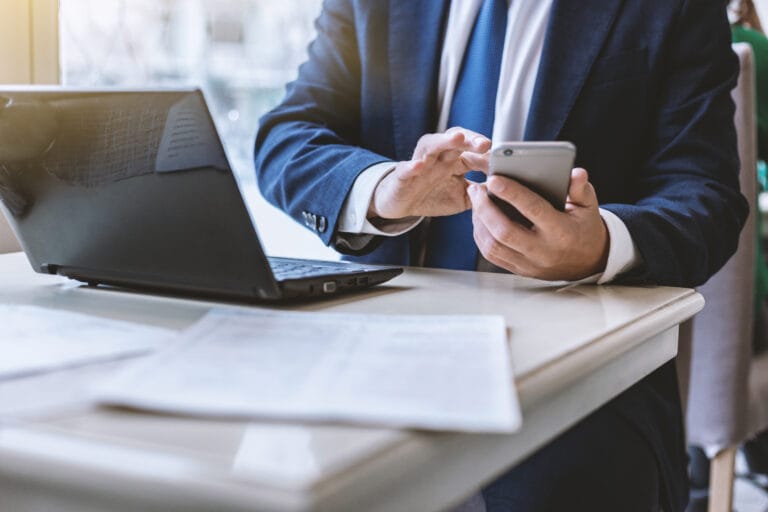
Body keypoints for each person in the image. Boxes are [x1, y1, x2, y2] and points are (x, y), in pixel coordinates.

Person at [254, 1, 749, 511]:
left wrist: (599, 245)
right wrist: (382, 191)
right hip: (371, 364)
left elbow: (705, 197)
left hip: (582, 393)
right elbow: (288, 136)